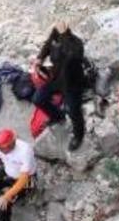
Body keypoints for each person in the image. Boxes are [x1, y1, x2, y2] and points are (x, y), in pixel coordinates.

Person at [31, 22, 87, 151]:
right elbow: (47, 45)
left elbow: (73, 55)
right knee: (38, 98)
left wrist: (63, 35)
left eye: (59, 30)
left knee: (73, 110)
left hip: (73, 83)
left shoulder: (76, 43)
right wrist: (40, 58)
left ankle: (79, 135)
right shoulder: (55, 38)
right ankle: (57, 116)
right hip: (56, 79)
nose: (56, 32)